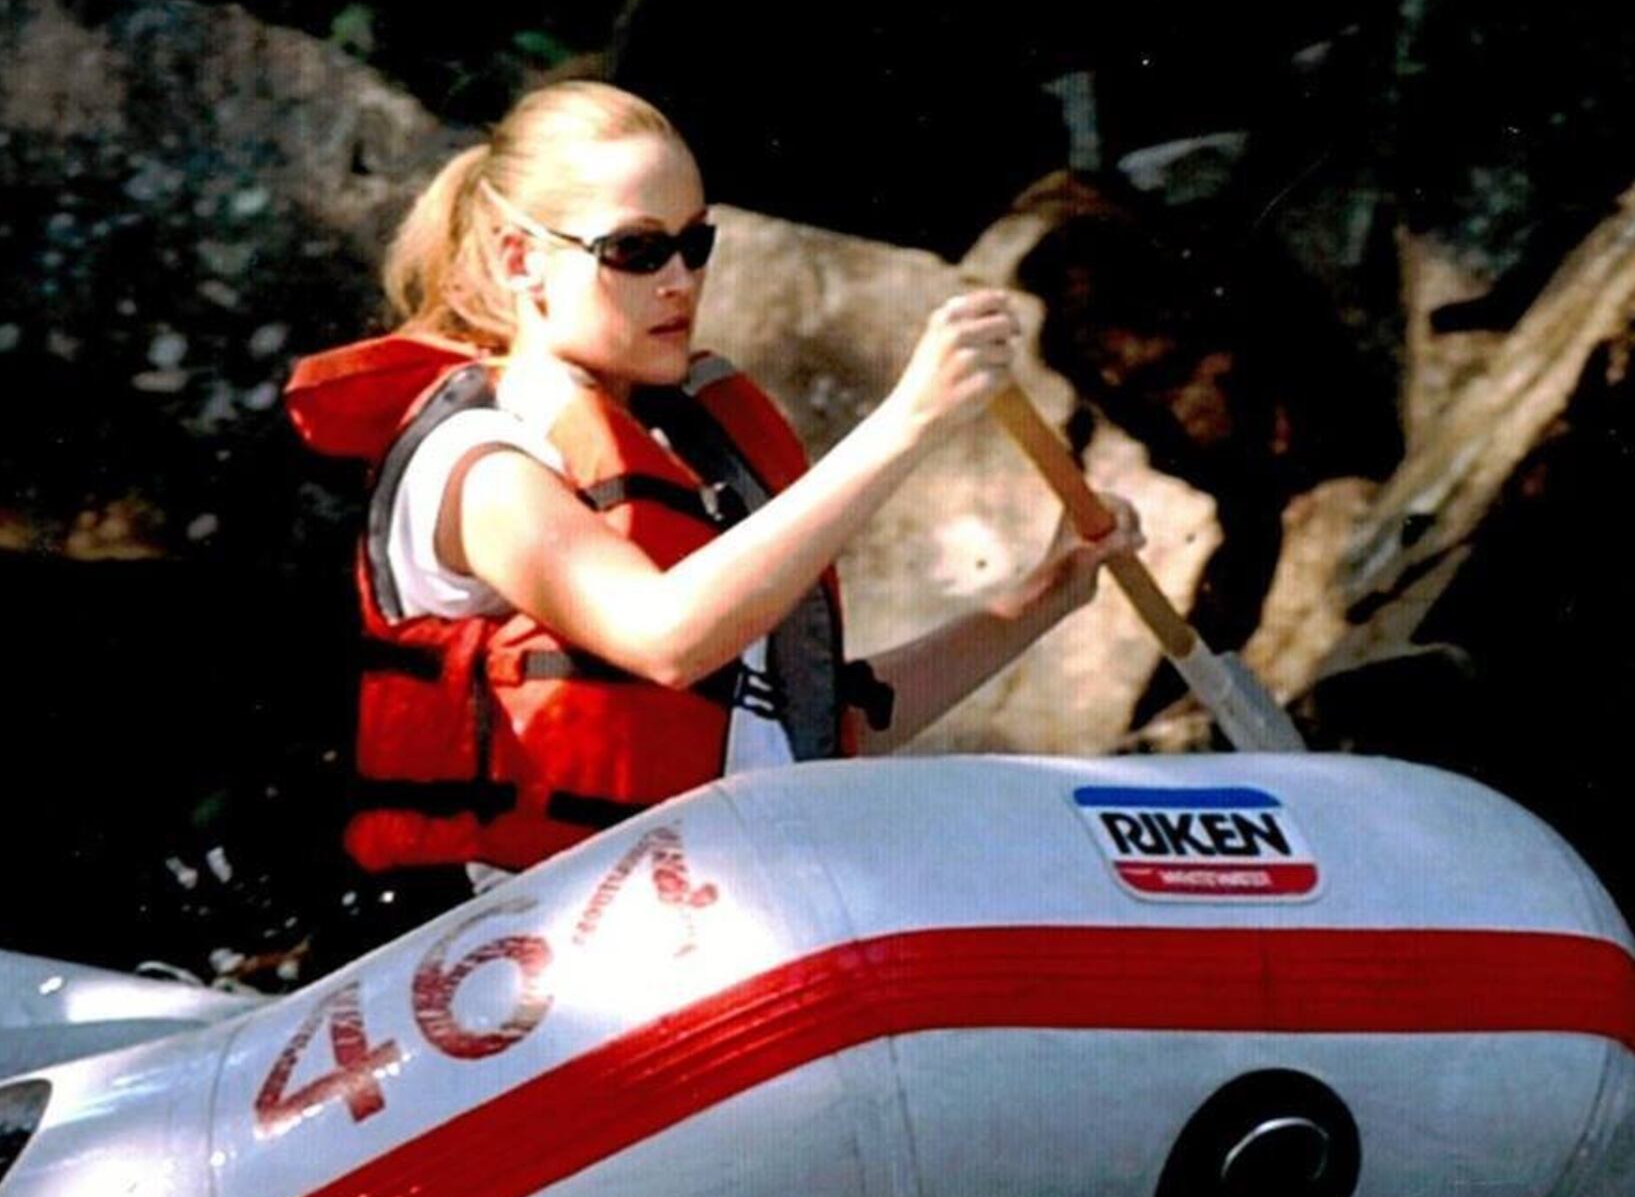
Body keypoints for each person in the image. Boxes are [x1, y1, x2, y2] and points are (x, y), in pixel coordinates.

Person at [284, 79, 1143, 886]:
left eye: (695, 243)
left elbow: (824, 726)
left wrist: (1048, 594)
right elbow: (667, 637)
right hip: (507, 957)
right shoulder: (483, 467)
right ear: (519, 260)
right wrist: (906, 421)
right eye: (636, 249)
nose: (680, 281)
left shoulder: (686, 451)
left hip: (702, 921)